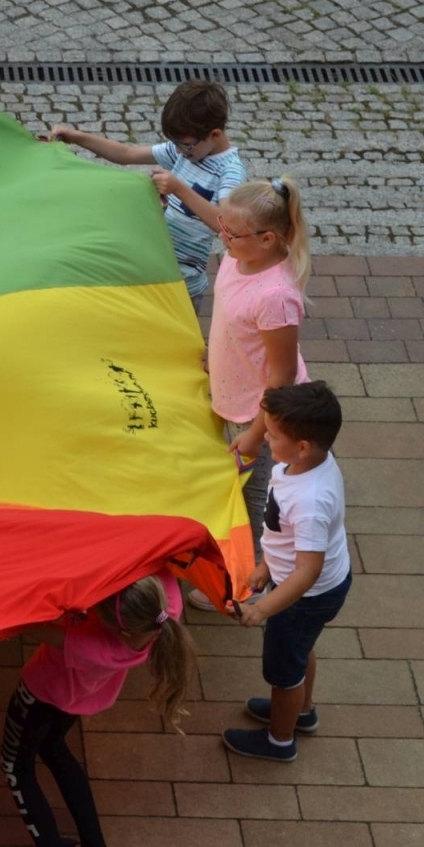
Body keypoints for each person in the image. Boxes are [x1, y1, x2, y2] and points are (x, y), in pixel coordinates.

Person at [3, 575, 195, 847]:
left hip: (40, 695)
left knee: (16, 767)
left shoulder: (94, 645)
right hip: (76, 702)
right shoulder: (168, 609)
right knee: (53, 748)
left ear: (119, 628)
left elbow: (23, 623)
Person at [224, 382, 350, 762]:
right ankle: (302, 711)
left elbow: (307, 571)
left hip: (302, 599)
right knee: (300, 650)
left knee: (284, 669)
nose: (265, 438)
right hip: (307, 588)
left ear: (303, 446)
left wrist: (264, 608)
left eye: (272, 435)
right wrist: (266, 565)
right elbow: (285, 534)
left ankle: (280, 740)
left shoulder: (311, 500)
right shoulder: (303, 463)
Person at [49, 81, 250, 315]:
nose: (179, 151)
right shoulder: (185, 151)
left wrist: (179, 189)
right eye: (175, 144)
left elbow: (226, 225)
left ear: (214, 134)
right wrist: (76, 137)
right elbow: (127, 154)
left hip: (183, 285)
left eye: (185, 145)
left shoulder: (230, 172)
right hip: (155, 271)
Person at [208, 178, 312, 563]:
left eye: (231, 233)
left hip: (262, 417)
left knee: (257, 500)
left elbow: (282, 376)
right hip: (236, 399)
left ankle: (250, 576)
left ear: (267, 239)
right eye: (222, 225)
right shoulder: (240, 257)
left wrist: (256, 434)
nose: (223, 237)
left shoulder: (277, 297)